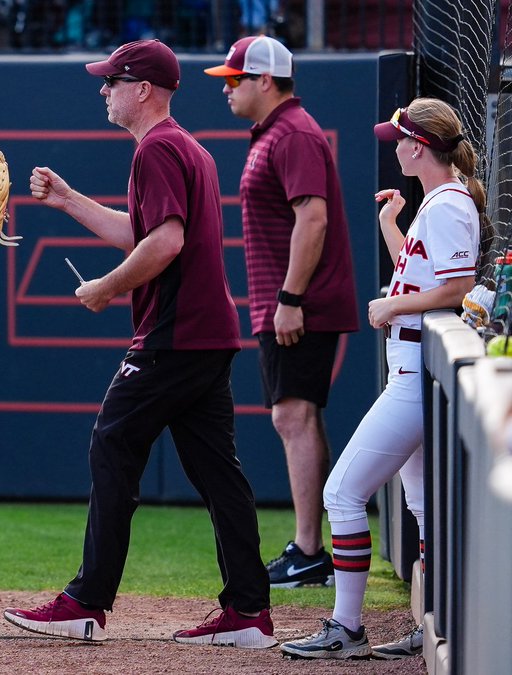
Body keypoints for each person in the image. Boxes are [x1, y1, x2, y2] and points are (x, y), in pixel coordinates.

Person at [1, 39, 275, 648]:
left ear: (143, 89)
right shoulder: (182, 146)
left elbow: (165, 243)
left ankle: (86, 601)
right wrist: (70, 200)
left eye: (113, 81)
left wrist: (104, 288)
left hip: (174, 335)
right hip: (205, 334)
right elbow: (144, 232)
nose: (104, 89)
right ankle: (249, 612)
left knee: (113, 444)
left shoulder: (158, 149)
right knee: (218, 474)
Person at [280, 98, 482, 659]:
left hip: (418, 372)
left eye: (398, 139)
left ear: (419, 145)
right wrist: (392, 229)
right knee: (419, 505)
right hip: (414, 366)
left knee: (342, 493)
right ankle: (434, 621)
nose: (394, 147)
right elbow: (421, 276)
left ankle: (346, 627)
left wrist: (390, 309)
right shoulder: (437, 200)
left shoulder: (447, 202)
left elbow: (459, 287)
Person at [204, 35, 358, 589]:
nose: (227, 88)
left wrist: (291, 299)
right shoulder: (282, 131)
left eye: (234, 79)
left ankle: (311, 549)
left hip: (300, 303)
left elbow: (312, 220)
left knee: (292, 416)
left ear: (264, 80)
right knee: (299, 415)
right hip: (292, 301)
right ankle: (312, 547)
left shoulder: (291, 133)